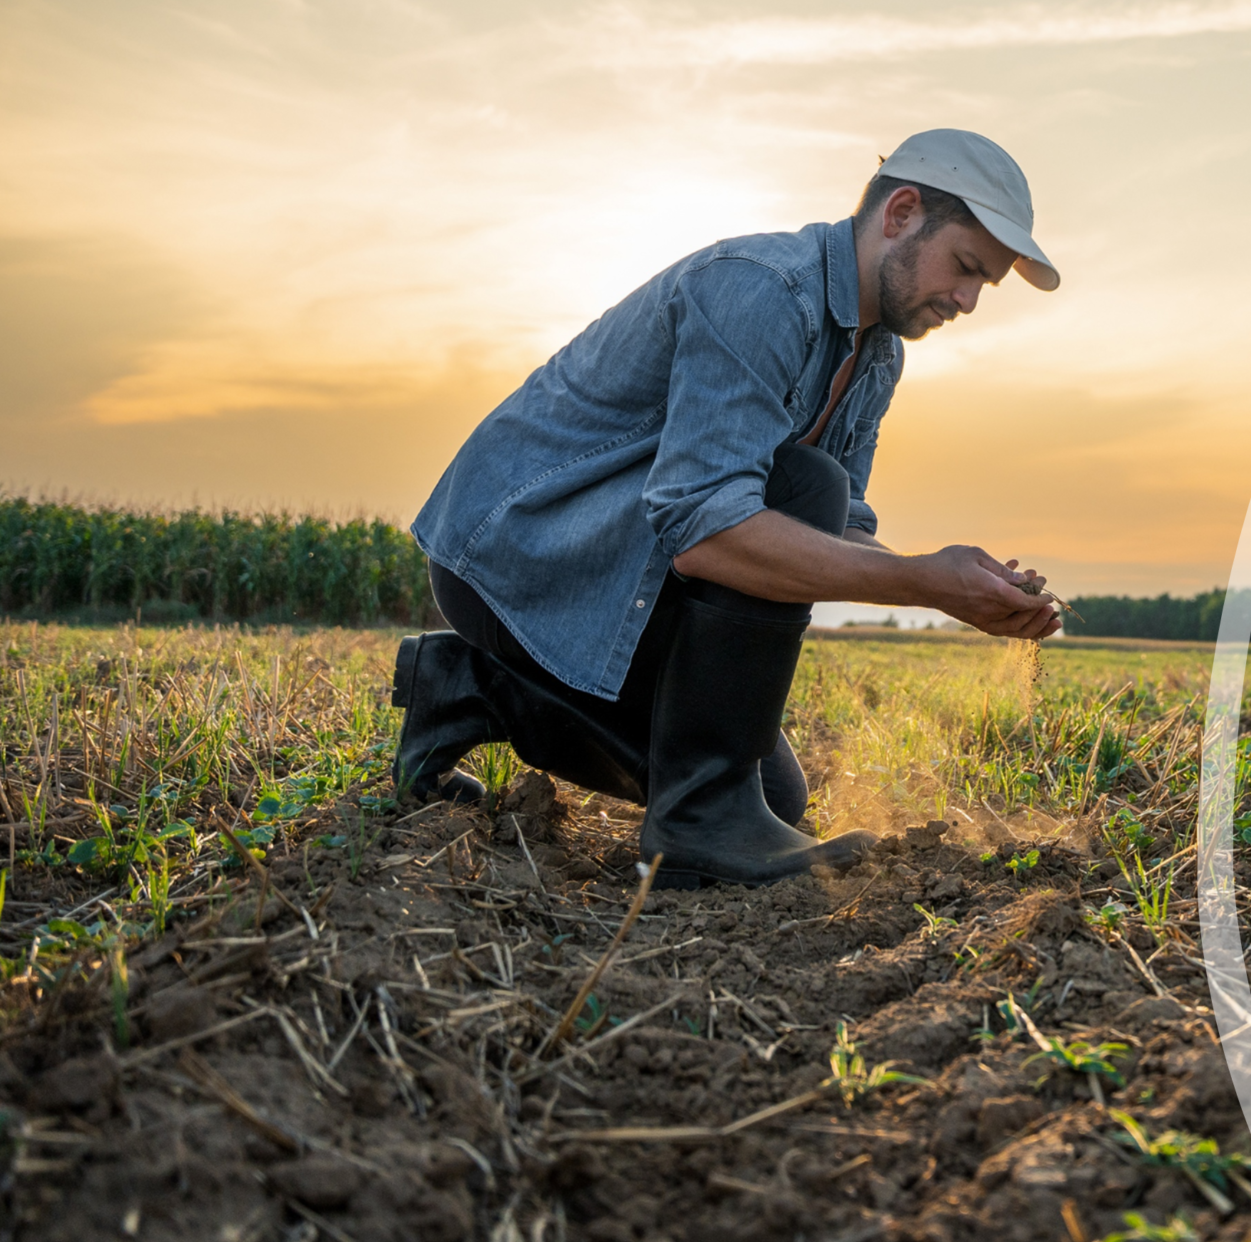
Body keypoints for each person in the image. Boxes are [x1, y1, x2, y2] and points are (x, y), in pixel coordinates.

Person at [390, 129, 1062, 887]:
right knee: (803, 487)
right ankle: (693, 823)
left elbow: (838, 529)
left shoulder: (876, 355)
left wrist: (958, 585)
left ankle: (466, 687)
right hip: (521, 553)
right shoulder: (763, 289)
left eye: (985, 286)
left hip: (623, 571)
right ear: (901, 213)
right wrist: (916, 581)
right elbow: (706, 531)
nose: (968, 301)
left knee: (769, 794)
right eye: (966, 267)